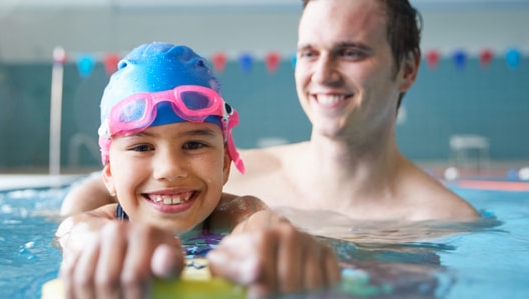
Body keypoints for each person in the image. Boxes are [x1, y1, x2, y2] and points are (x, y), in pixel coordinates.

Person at [60, 0, 478, 228]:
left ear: (407, 68)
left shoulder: (444, 220)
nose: (323, 73)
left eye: (351, 52)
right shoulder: (236, 169)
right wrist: (77, 231)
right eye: (309, 53)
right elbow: (103, 189)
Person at [55, 42, 340, 298]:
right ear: (110, 176)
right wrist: (101, 246)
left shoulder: (237, 213)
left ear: (226, 165)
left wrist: (269, 244)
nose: (170, 169)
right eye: (141, 147)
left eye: (193, 144)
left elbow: (260, 226)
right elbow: (77, 233)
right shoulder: (93, 223)